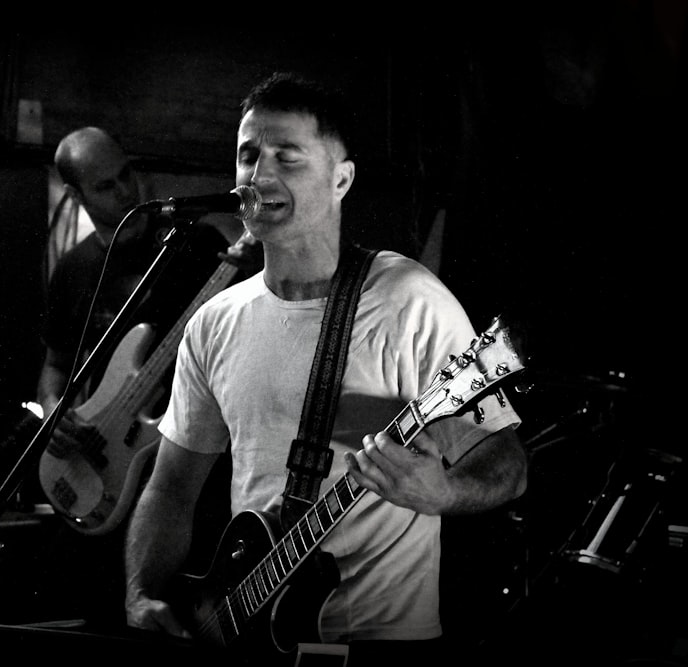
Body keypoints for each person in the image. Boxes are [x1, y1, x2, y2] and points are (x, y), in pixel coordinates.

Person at [123, 72, 529, 663]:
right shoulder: (214, 323)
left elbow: (507, 464)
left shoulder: (409, 302)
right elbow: (170, 488)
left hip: (380, 646)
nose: (259, 176)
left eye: (287, 159)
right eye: (248, 156)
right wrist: (139, 596)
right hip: (245, 632)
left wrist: (444, 490)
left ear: (342, 179)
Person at [29, 126, 259, 628]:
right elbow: (54, 365)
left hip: (182, 464)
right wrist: (54, 413)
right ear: (76, 193)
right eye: (106, 186)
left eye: (126, 174)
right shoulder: (73, 268)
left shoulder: (193, 244)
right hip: (101, 453)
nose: (125, 191)